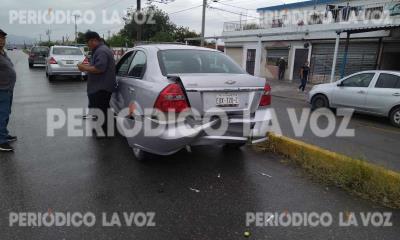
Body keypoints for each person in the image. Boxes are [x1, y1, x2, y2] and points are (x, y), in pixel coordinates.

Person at [77, 31, 116, 137]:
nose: (87, 45)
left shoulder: (101, 51)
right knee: (101, 109)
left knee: (101, 110)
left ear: (93, 40)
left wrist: (83, 67)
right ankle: (103, 130)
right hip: (100, 87)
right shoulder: (99, 50)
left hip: (101, 87)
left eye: (87, 42)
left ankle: (103, 132)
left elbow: (99, 68)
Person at [0, 29, 17, 152]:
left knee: (6, 114)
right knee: (2, 115)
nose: (2, 40)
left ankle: (4, 135)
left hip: (8, 90)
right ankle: (1, 142)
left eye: (3, 38)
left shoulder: (3, 53)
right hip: (1, 90)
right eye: (0, 38)